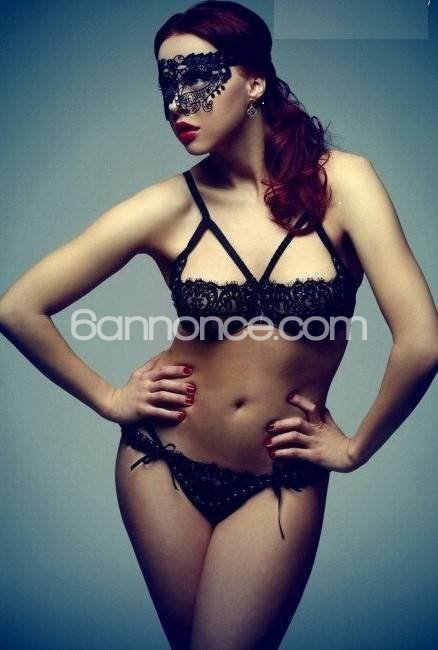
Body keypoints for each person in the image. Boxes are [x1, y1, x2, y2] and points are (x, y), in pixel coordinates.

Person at [0, 1, 436, 649]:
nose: (178, 102)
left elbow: (422, 342)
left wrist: (354, 449)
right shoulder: (167, 206)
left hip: (278, 476)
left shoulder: (346, 183)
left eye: (198, 76)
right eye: (166, 83)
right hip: (162, 463)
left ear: (254, 81)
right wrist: (111, 399)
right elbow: (18, 307)